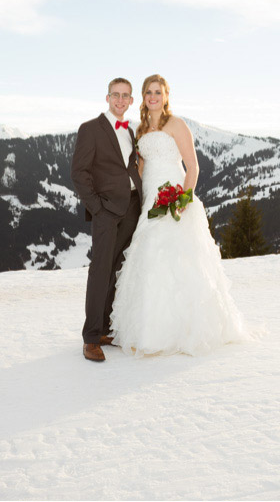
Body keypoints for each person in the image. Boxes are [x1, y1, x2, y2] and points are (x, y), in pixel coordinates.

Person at [108, 74, 251, 357]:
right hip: (150, 199)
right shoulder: (140, 129)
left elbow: (193, 167)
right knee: (148, 258)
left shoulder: (177, 124)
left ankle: (183, 329)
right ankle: (147, 329)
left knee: (179, 259)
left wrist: (184, 199)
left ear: (166, 96)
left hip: (174, 197)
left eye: (157, 92)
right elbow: (140, 169)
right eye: (148, 92)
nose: (153, 97)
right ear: (143, 97)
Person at [71, 77, 144, 362]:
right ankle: (90, 338)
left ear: (130, 101)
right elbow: (79, 173)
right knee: (100, 269)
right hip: (106, 211)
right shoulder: (90, 129)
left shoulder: (130, 131)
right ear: (107, 97)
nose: (120, 100)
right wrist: (97, 208)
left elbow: (130, 166)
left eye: (126, 96)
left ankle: (103, 329)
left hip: (132, 206)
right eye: (116, 95)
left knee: (116, 269)